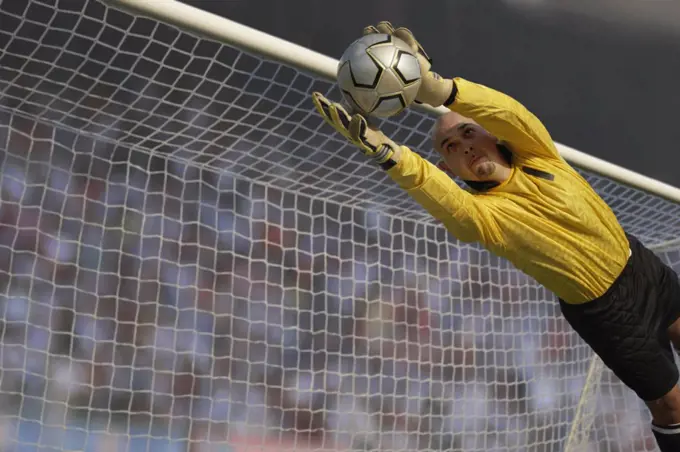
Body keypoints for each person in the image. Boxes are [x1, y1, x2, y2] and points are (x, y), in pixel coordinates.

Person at [311, 21, 680, 451]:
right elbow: (447, 202)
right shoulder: (485, 215)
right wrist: (390, 153)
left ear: (491, 134)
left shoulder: (539, 154)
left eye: (469, 132)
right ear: (449, 167)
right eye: (450, 146)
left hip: (642, 267)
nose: (464, 145)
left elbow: (509, 113)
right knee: (672, 407)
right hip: (606, 313)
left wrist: (436, 88)